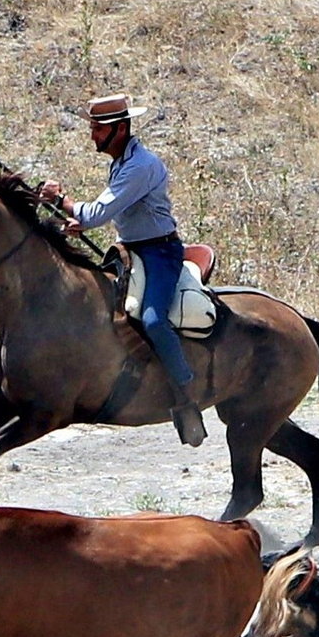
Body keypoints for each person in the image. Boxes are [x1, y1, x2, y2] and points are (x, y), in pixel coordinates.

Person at [36, 94, 207, 448]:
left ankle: (187, 392)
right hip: (132, 250)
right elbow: (107, 212)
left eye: (99, 129)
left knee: (154, 320)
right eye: (93, 128)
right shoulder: (123, 162)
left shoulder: (140, 166)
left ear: (121, 128)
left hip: (160, 253)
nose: (93, 135)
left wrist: (62, 199)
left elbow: (99, 212)